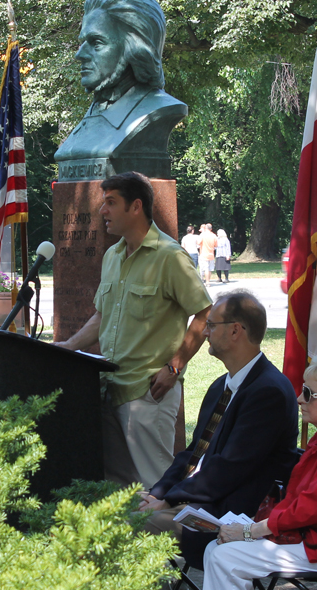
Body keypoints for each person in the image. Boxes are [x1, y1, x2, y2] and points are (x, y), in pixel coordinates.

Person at [55, 172, 212, 489]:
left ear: (136, 207)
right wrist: (68, 347)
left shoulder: (170, 257)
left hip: (147, 393)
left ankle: (168, 540)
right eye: (103, 203)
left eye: (111, 203)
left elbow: (205, 313)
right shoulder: (112, 257)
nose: (103, 211)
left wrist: (175, 366)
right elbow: (102, 317)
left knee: (155, 488)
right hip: (108, 390)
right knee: (118, 490)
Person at [138, 291, 299, 569]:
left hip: (230, 516)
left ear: (236, 330)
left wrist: (169, 499)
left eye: (211, 325)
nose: (205, 332)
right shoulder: (220, 385)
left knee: (126, 523)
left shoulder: (268, 391)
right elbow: (193, 454)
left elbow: (230, 469)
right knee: (111, 503)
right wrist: (159, 492)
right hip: (197, 500)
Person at [203, 349, 317, 590]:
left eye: (308, 393)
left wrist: (250, 531)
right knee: (216, 548)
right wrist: (252, 530)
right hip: (311, 538)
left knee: (226, 556)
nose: (299, 398)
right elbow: (298, 501)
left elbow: (310, 508)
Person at [54, 0, 187, 173]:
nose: (79, 54)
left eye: (97, 43)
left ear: (134, 48)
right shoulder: (93, 112)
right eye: (82, 42)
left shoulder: (158, 109)